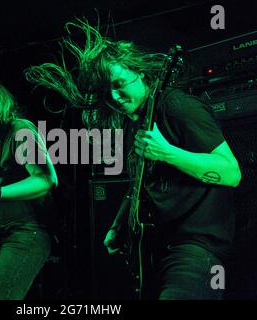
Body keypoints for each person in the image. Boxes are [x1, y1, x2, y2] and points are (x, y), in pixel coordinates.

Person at [25, 19, 241, 299]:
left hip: (195, 249)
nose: (114, 96)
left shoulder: (176, 106)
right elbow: (140, 183)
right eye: (106, 91)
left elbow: (231, 171)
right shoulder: (133, 124)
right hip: (155, 249)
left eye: (119, 84)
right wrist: (119, 223)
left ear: (139, 72)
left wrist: (168, 152)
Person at [0, 80, 58, 300]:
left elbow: (46, 179)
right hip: (3, 234)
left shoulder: (20, 129)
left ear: (3, 104)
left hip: (28, 232)